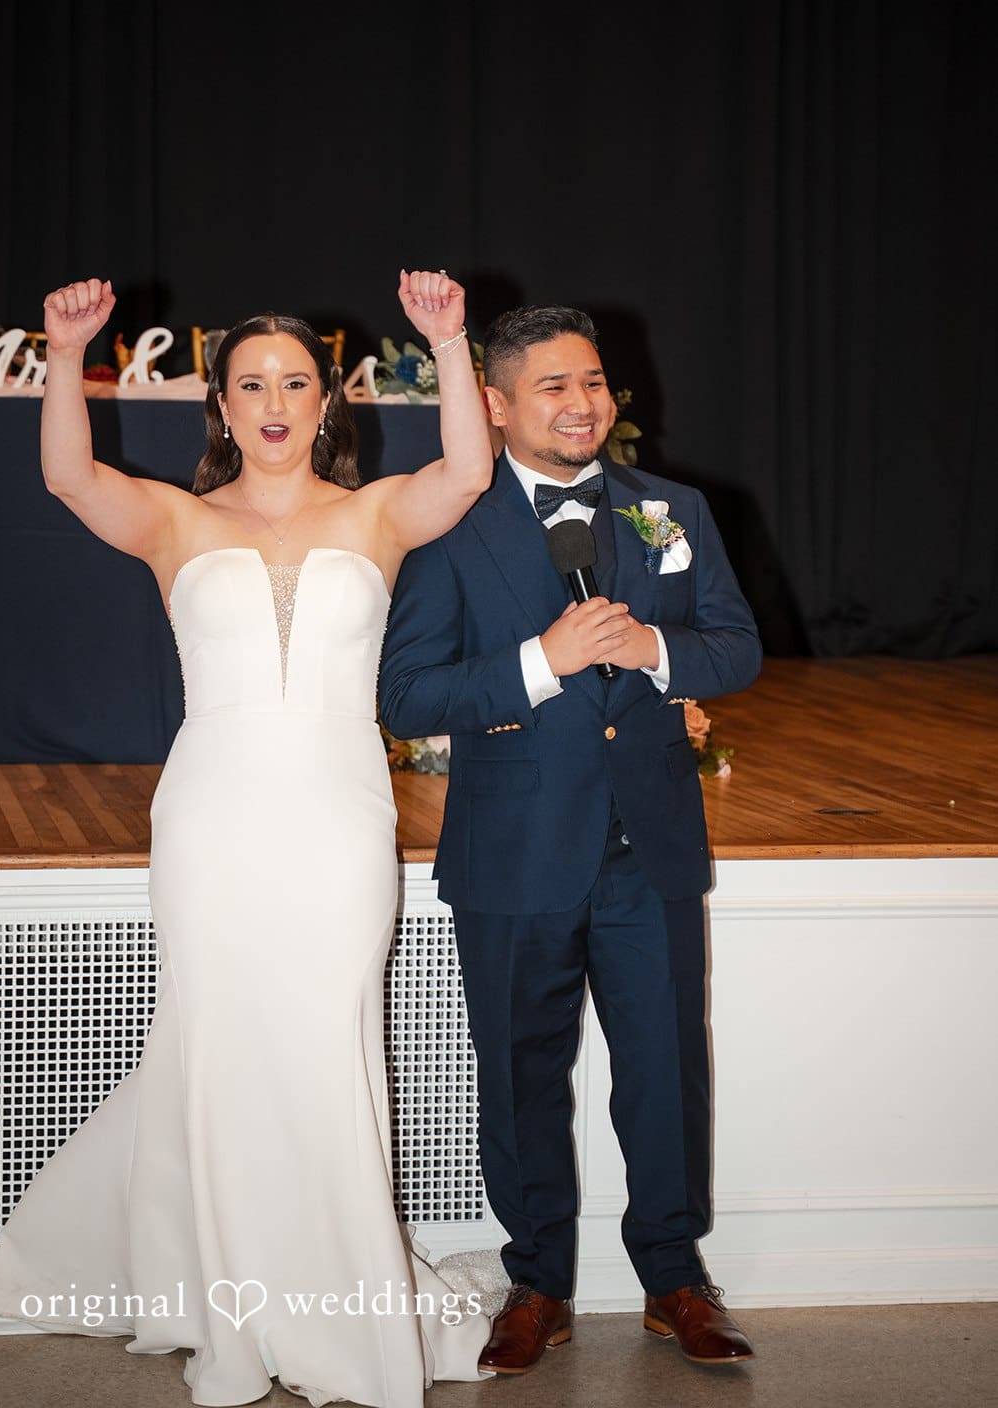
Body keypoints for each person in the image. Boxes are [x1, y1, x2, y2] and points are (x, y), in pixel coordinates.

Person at [0, 270, 497, 1407]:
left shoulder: (373, 513)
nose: (273, 400)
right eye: (250, 383)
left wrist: (451, 345)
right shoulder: (180, 519)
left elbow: (467, 472)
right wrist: (65, 354)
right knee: (215, 1046)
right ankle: (226, 1309)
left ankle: (341, 1309)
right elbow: (68, 475)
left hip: (338, 818)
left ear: (328, 401)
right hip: (212, 815)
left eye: (295, 382)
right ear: (219, 404)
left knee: (324, 1044)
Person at [377, 302, 763, 1375]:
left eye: (592, 382)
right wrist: (539, 660)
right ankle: (536, 1279)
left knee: (660, 1068)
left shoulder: (666, 508)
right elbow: (404, 691)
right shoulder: (445, 527)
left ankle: (671, 1277)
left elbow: (735, 648)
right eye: (552, 386)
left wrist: (652, 648)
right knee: (518, 1073)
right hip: (513, 849)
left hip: (648, 844)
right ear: (494, 404)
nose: (581, 403)